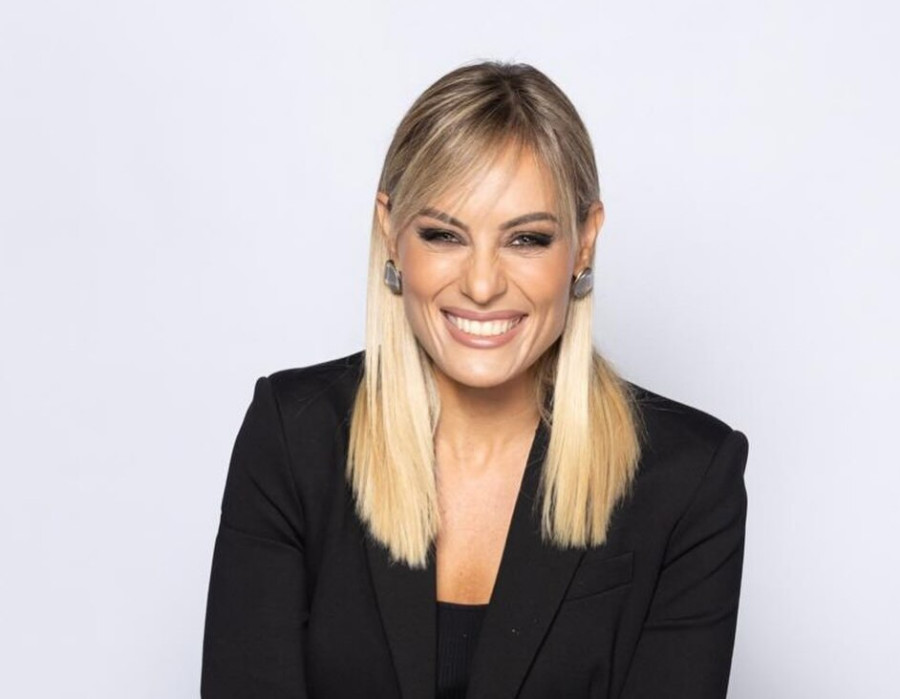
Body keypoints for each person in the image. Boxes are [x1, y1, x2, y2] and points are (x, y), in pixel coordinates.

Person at [201, 60, 750, 699]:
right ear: (390, 233)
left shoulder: (689, 477)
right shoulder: (295, 438)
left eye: (526, 239)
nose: (483, 285)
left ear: (584, 243)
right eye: (444, 235)